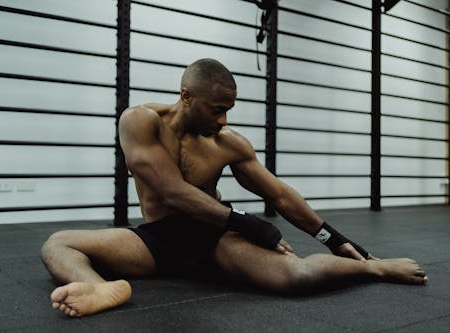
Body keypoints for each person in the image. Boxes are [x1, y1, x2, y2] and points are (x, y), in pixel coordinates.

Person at [41, 58, 428, 318]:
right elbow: (171, 190)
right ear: (186, 96)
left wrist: (332, 237)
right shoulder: (140, 122)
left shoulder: (228, 144)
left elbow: (278, 194)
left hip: (212, 238)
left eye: (229, 110)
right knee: (58, 243)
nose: (223, 120)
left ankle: (376, 269)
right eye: (216, 109)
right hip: (157, 239)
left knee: (296, 278)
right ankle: (101, 290)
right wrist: (252, 225)